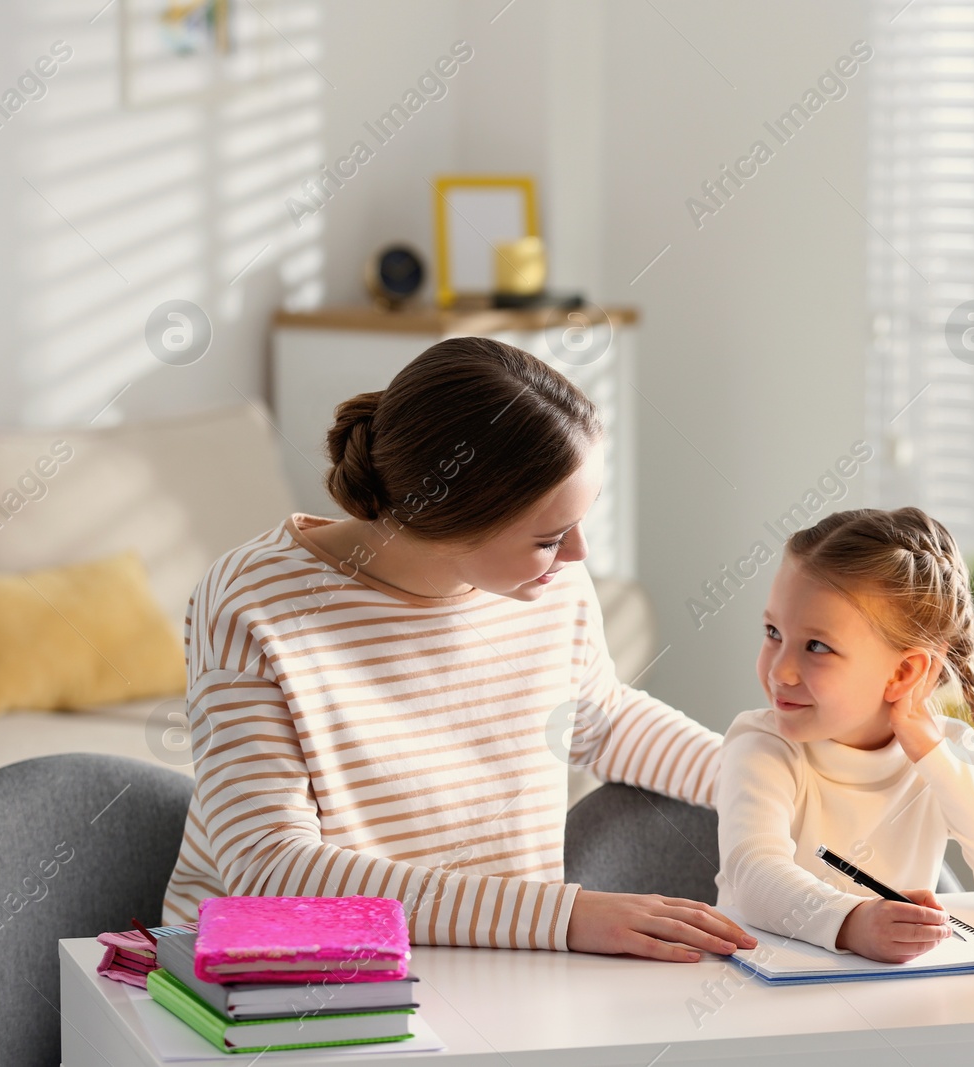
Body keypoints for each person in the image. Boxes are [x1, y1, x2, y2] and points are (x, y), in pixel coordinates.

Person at [161, 336, 755, 962]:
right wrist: (567, 916)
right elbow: (270, 872)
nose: (579, 554)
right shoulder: (255, 601)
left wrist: (777, 784)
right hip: (295, 978)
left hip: (501, 965)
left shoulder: (548, 583)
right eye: (550, 537)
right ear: (447, 519)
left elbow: (599, 721)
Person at [715, 507, 974, 963]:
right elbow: (754, 875)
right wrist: (853, 922)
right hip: (758, 999)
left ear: (903, 672)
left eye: (816, 646)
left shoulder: (944, 752)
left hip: (886, 1005)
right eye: (773, 632)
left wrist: (934, 757)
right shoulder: (762, 746)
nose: (780, 670)